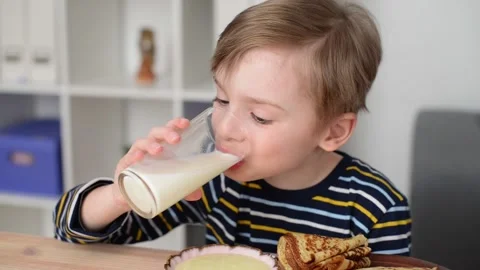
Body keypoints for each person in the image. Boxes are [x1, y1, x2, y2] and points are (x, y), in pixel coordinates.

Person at [53, 0, 411, 255]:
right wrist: (121, 193)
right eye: (222, 100)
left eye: (260, 117)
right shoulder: (213, 182)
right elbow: (75, 234)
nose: (226, 128)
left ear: (332, 132)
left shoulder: (374, 207)